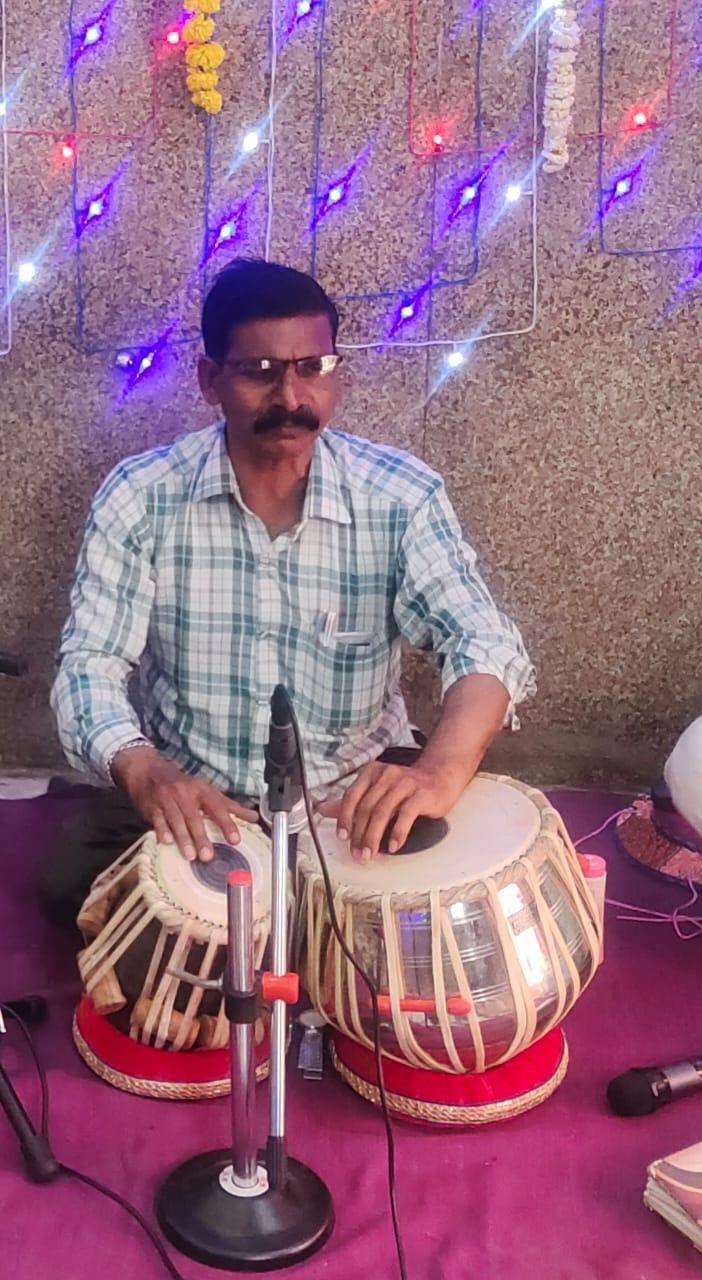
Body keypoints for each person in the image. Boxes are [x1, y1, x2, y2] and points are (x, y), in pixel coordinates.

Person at [49, 258, 535, 906]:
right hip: (198, 801)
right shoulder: (141, 497)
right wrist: (144, 770)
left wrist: (438, 774)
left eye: (313, 368)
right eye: (260, 372)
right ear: (209, 380)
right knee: (73, 894)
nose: (291, 398)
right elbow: (89, 666)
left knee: (457, 918)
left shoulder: (399, 496)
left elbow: (481, 642)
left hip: (352, 800)